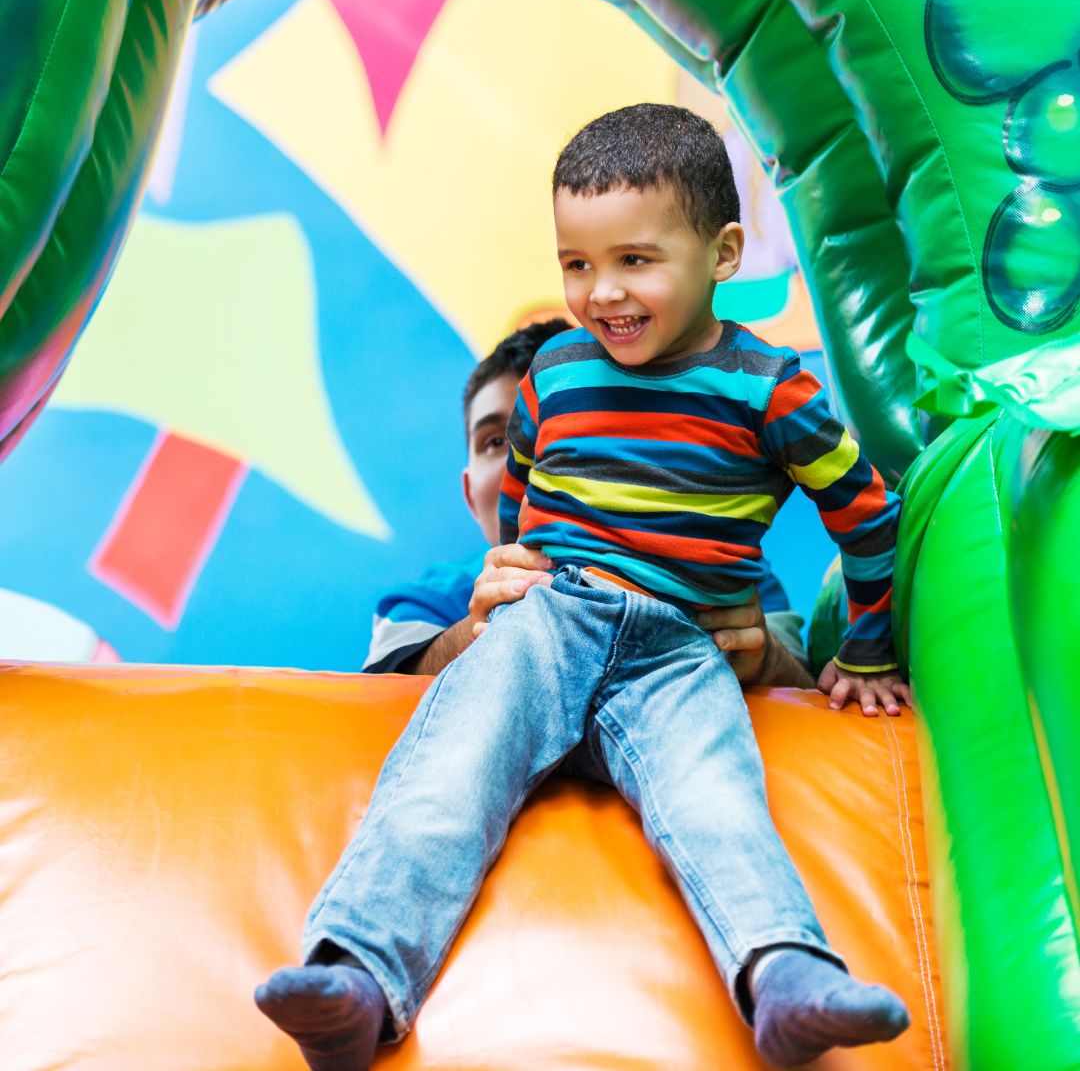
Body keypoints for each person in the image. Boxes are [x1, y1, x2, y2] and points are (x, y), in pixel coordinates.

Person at [255, 104, 912, 1069]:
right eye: (575, 264)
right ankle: (357, 972)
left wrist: (864, 648)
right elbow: (525, 483)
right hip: (551, 614)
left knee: (716, 798)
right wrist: (518, 566)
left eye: (635, 261)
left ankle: (787, 975)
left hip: (683, 644)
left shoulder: (773, 390)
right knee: (451, 767)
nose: (601, 292)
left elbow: (867, 512)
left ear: (724, 252)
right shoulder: (556, 371)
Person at [363, 319, 813, 686]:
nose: (533, 454)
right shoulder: (436, 599)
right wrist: (481, 631)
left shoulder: (729, 576)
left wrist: (765, 658)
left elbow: (803, 685)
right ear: (470, 494)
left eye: (565, 426)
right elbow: (372, 693)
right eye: (497, 440)